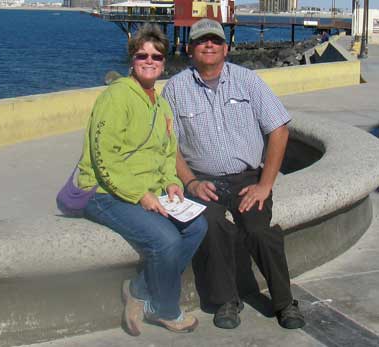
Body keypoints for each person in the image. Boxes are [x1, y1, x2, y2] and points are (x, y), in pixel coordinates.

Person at [162, 18, 305, 330]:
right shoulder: (175, 89)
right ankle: (226, 301)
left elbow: (279, 129)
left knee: (258, 230)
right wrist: (190, 182)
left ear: (225, 48)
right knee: (210, 226)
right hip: (203, 181)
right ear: (190, 49)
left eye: (215, 40)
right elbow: (167, 145)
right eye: (201, 41)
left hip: (247, 179)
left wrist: (265, 184)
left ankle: (284, 302)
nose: (209, 45)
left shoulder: (248, 81)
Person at [78, 24, 207, 336]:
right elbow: (103, 158)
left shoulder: (160, 104)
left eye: (157, 56)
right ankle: (163, 308)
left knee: (197, 226)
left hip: (145, 189)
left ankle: (137, 289)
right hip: (103, 191)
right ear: (132, 60)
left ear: (164, 62)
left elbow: (166, 153)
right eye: (142, 55)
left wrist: (170, 183)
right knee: (166, 240)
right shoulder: (117, 96)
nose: (150, 61)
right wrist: (141, 195)